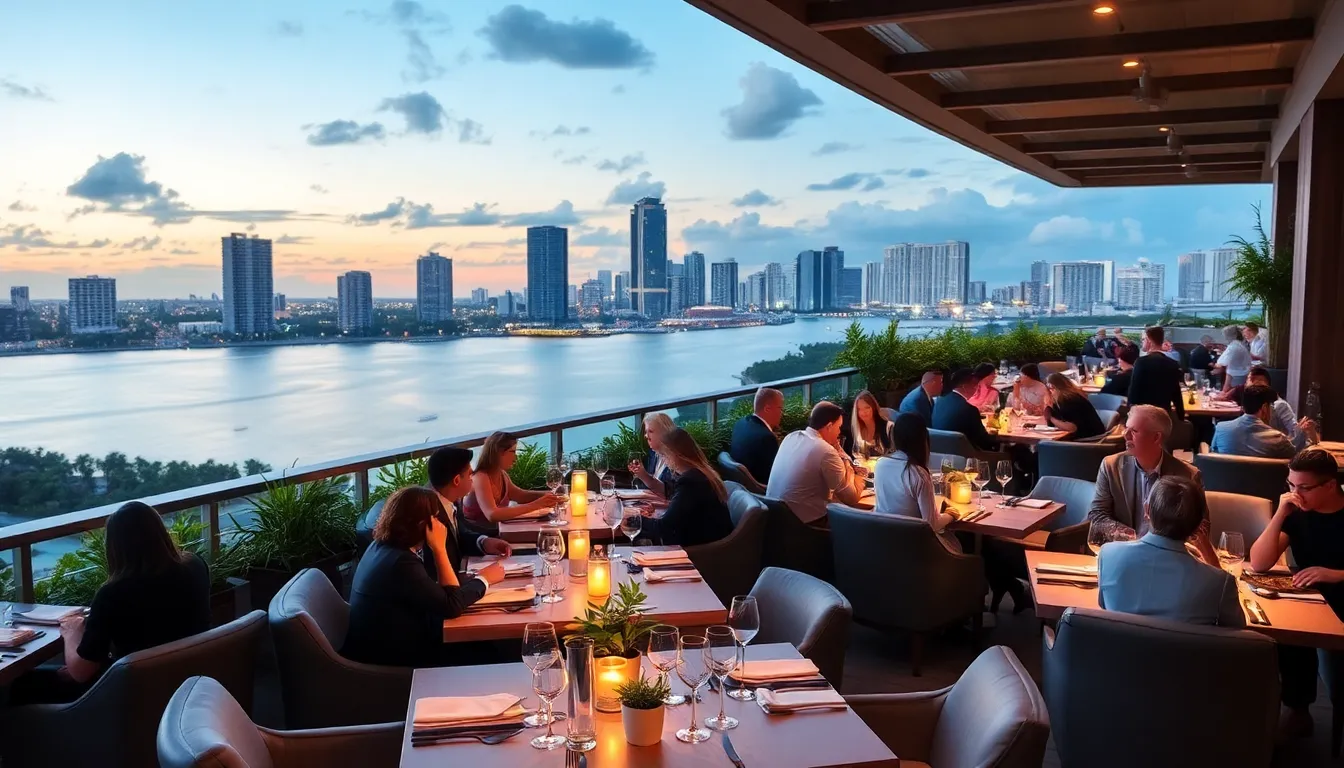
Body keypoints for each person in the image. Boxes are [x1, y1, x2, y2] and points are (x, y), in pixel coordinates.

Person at [23, 501, 212, 703]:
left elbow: (81, 672)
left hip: (131, 695)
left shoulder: (114, 593)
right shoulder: (195, 566)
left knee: (23, 684)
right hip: (184, 683)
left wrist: (71, 633)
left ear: (114, 547)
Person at [344, 481, 511, 668]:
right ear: (423, 524)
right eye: (437, 518)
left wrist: (466, 581)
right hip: (395, 660)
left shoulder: (382, 546)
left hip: (389, 644)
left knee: (484, 647)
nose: (440, 524)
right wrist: (483, 579)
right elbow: (451, 606)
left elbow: (441, 595)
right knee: (489, 652)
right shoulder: (401, 563)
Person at [1249, 449, 1344, 740]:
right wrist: (1280, 513)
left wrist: (1336, 574)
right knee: (1287, 633)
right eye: (1290, 484)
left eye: (1304, 487)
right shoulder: (1298, 512)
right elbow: (1259, 562)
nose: (1295, 493)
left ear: (1330, 485)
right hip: (1312, 597)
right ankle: (1298, 710)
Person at [1097, 476, 1244, 628]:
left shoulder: (1108, 555)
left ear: (1146, 510)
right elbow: (1237, 632)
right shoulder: (1219, 583)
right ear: (1199, 526)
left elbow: (1105, 608)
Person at [1089, 405, 1218, 566]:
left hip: (1170, 561)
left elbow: (1201, 527)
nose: (1125, 435)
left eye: (1134, 431)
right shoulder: (1111, 466)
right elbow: (1098, 515)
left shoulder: (1188, 475)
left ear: (1156, 437)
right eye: (1126, 428)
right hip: (1123, 557)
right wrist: (1131, 537)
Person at [765, 401, 866, 524]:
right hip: (803, 525)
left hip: (774, 518)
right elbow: (851, 498)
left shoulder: (791, 437)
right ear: (829, 426)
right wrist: (860, 475)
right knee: (860, 522)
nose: (839, 432)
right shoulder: (825, 450)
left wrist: (840, 453)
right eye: (839, 427)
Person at [875, 413, 959, 552]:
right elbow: (931, 525)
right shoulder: (918, 473)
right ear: (923, 439)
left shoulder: (880, 464)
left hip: (884, 543)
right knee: (956, 545)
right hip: (913, 547)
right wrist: (951, 515)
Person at [636, 428, 733, 547]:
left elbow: (665, 528)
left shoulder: (691, 481)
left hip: (701, 552)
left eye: (663, 455)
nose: (664, 460)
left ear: (675, 455)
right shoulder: (701, 474)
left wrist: (632, 519)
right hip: (707, 545)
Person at [462, 432, 561, 529]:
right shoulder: (480, 478)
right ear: (499, 452)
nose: (515, 458)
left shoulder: (502, 475)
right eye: (513, 452)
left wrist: (552, 495)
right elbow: (492, 514)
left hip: (498, 532)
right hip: (480, 536)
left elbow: (520, 496)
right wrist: (537, 505)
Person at [1210, 385, 1301, 459]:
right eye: (1272, 407)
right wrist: (1301, 435)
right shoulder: (1278, 439)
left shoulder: (1221, 428)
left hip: (1225, 477)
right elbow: (1296, 460)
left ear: (1244, 407)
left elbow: (1213, 456)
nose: (1273, 410)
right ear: (1264, 408)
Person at [931, 367, 1000, 452]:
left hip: (938, 450)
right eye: (975, 385)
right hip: (965, 454)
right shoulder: (970, 410)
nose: (976, 389)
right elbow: (984, 441)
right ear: (964, 386)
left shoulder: (939, 401)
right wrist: (996, 437)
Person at [1128, 326, 1185, 418]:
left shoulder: (1141, 362)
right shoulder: (1173, 364)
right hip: (1164, 415)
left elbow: (1133, 392)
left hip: (1144, 415)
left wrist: (1130, 414)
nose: (1142, 342)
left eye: (1143, 339)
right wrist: (1181, 416)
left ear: (1148, 341)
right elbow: (1176, 394)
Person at [729, 387, 783, 484]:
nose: (782, 413)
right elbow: (777, 476)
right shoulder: (766, 438)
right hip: (761, 488)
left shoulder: (740, 423)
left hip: (742, 485)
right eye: (780, 408)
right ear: (767, 409)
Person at [1044, 373, 1106, 440]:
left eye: (1051, 388)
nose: (1050, 392)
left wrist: (1051, 418)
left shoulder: (1069, 400)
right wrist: (1049, 410)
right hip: (1082, 433)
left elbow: (1072, 428)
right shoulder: (1059, 400)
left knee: (1047, 443)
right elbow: (1055, 424)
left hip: (1090, 436)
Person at [628, 412, 676, 497]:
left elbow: (671, 492)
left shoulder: (676, 459)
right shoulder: (653, 454)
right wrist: (640, 474)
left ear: (664, 433)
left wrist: (644, 476)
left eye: (650, 431)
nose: (646, 436)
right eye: (646, 432)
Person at [849, 389, 892, 457]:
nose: (863, 412)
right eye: (859, 409)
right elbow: (856, 454)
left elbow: (896, 454)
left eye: (867, 407)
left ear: (873, 407)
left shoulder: (888, 427)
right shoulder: (857, 430)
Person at [1213, 324, 1252, 391]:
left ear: (1229, 336)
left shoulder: (1233, 346)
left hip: (1236, 376)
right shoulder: (1239, 344)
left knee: (1234, 394)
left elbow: (1221, 363)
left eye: (1225, 335)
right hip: (1241, 374)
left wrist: (1215, 365)